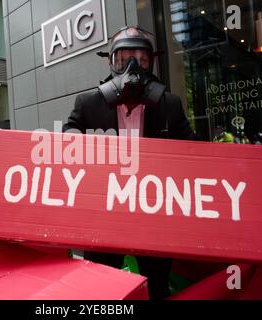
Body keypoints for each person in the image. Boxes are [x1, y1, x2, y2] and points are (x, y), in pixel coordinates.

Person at [63, 26, 196, 300]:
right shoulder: (88, 103)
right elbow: (69, 135)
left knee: (157, 286)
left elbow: (194, 151)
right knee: (101, 288)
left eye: (142, 59)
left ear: (152, 62)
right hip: (105, 215)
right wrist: (79, 141)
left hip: (155, 217)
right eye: (124, 58)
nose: (133, 66)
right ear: (110, 61)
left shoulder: (169, 105)